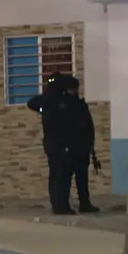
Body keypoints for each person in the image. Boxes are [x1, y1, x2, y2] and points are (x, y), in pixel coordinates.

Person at [28, 72, 76, 215]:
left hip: (51, 142)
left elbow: (32, 103)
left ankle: (58, 204)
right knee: (62, 175)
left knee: (56, 175)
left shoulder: (47, 100)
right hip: (60, 143)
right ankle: (61, 205)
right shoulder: (60, 100)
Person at [62, 77, 101, 213]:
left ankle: (84, 203)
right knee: (68, 178)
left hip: (81, 147)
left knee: (81, 178)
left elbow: (88, 128)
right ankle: (65, 204)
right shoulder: (65, 106)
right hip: (72, 147)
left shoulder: (79, 105)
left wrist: (91, 150)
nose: (75, 91)